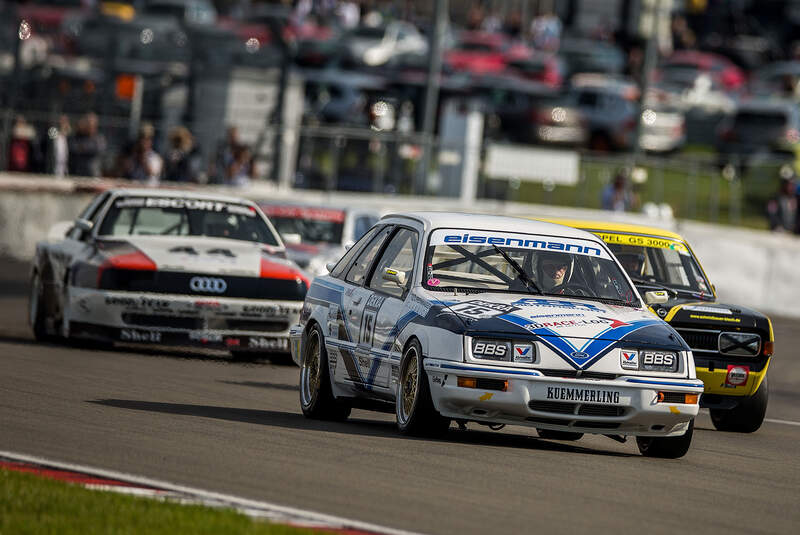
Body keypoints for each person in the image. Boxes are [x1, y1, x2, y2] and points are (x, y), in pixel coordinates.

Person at [69, 112, 106, 177]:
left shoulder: (99, 138)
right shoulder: (77, 136)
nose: (89, 125)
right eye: (87, 123)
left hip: (92, 174)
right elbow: (73, 148)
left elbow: (96, 149)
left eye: (91, 123)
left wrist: (82, 148)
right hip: (76, 173)